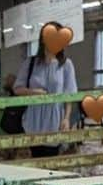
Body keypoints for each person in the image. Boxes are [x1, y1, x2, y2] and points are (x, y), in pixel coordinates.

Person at [12, 22, 79, 158]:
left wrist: (66, 118)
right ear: (43, 39)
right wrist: (34, 92)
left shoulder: (66, 65)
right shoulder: (30, 63)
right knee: (35, 157)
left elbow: (69, 95)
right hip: (33, 118)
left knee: (51, 158)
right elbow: (17, 89)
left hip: (54, 118)